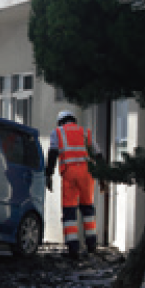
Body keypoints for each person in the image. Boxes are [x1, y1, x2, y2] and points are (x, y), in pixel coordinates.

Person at [45, 110, 103, 260]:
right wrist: (104, 177)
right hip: (87, 173)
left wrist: (48, 175)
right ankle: (91, 245)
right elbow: (98, 154)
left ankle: (73, 247)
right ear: (74, 120)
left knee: (69, 210)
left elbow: (52, 153)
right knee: (87, 208)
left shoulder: (57, 132)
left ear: (60, 122)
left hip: (69, 173)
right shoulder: (85, 132)